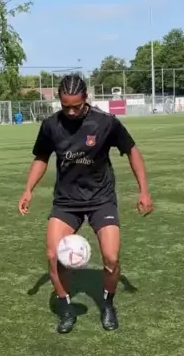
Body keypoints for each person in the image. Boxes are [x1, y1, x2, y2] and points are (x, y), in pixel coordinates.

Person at [19, 74, 154, 333]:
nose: (71, 112)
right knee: (53, 256)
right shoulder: (50, 125)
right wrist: (28, 189)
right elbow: (41, 157)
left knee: (111, 258)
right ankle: (66, 308)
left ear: (86, 99)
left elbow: (132, 151)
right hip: (66, 201)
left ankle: (108, 304)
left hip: (101, 199)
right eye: (65, 106)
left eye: (76, 106)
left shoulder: (105, 123)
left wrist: (144, 191)